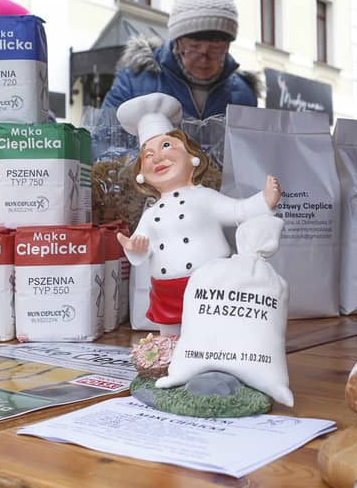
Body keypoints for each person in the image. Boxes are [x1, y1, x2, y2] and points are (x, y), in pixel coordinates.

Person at [114, 93, 279, 331]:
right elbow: (141, 247)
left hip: (210, 282)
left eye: (167, 146)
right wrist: (135, 248)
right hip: (166, 290)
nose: (158, 158)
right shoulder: (150, 213)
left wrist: (264, 200)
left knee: (213, 331)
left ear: (192, 157)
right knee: (171, 335)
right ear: (141, 173)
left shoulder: (203, 197)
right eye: (148, 156)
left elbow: (237, 210)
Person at [103, 0, 260, 119]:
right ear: (176, 43)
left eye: (215, 49)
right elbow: (103, 140)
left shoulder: (243, 93)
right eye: (193, 47)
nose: (204, 58)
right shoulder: (134, 80)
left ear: (228, 46)